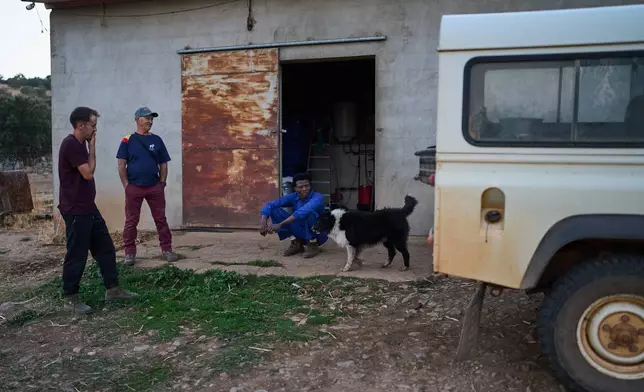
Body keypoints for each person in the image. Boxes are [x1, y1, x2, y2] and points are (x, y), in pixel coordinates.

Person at [57, 106, 137, 314]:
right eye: (93, 126)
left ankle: (113, 290)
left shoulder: (78, 144)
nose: (95, 130)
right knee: (77, 253)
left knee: (105, 248)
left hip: (88, 208)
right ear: (81, 125)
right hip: (75, 210)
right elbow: (88, 173)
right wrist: (93, 147)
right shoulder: (72, 145)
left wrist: (89, 146)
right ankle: (70, 297)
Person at [116, 107, 178, 265]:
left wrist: (162, 183)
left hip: (154, 187)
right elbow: (121, 164)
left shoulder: (157, 140)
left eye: (152, 118)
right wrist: (126, 185)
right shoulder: (127, 140)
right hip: (134, 187)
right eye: (147, 118)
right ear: (137, 119)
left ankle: (167, 249)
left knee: (161, 219)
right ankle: (129, 253)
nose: (150, 121)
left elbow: (163, 163)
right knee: (131, 221)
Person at [260, 173, 328, 258]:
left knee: (310, 213)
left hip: (318, 234)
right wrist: (263, 221)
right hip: (300, 230)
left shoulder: (318, 197)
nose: (304, 189)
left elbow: (302, 212)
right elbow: (270, 204)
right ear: (295, 188)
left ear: (311, 186)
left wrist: (280, 224)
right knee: (274, 210)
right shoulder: (294, 197)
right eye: (300, 187)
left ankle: (313, 244)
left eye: (307, 186)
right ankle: (296, 243)